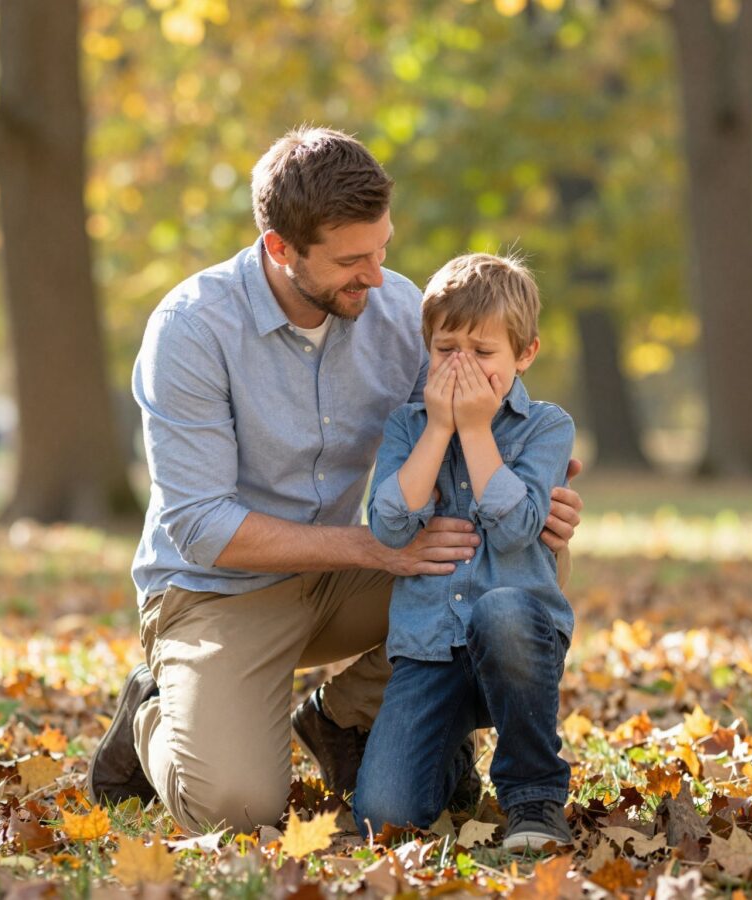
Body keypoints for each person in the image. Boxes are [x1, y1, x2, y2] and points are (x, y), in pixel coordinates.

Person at [85, 127, 583, 834]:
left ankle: (343, 716)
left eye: (381, 249)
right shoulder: (192, 329)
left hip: (347, 579)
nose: (375, 277)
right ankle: (154, 711)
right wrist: (374, 550)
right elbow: (199, 527)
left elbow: (468, 427)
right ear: (280, 248)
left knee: (528, 565)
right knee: (237, 808)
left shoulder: (397, 311)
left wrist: (540, 485)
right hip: (217, 591)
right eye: (351, 261)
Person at [354, 253, 576, 851]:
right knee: (383, 817)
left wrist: (475, 430)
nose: (462, 365)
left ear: (525, 354)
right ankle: (449, 759)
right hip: (430, 645)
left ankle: (534, 799)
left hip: (517, 641)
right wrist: (439, 430)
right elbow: (389, 528)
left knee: (501, 610)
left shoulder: (546, 426)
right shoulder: (408, 427)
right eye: (447, 348)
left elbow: (516, 528)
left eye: (483, 352)